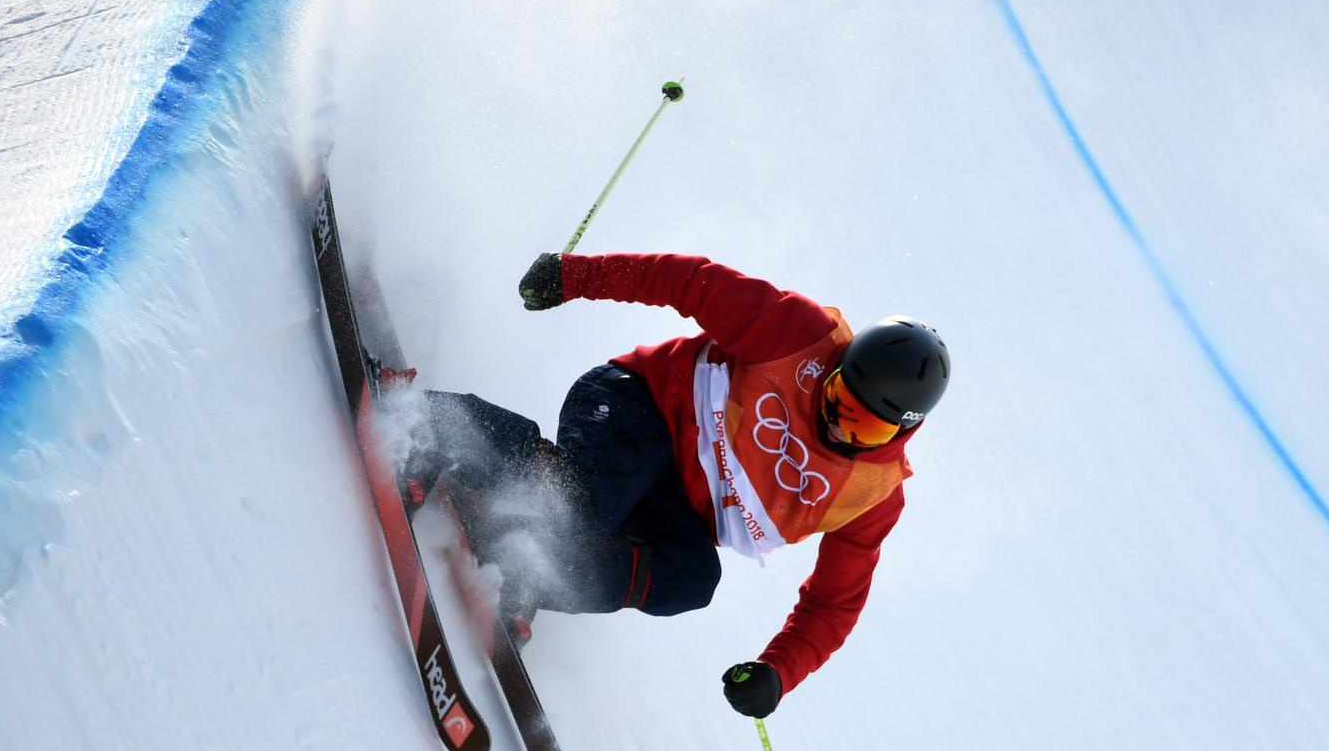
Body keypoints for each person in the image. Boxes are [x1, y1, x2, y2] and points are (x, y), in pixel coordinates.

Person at [397, 250, 949, 720]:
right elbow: (688, 281)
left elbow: (834, 605)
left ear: (901, 430)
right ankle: (439, 427)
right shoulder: (797, 334)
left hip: (675, 503)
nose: (838, 423)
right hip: (635, 407)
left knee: (692, 580)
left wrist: (777, 674)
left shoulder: (870, 496)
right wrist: (574, 275)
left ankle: (526, 570)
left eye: (864, 426)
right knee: (589, 503)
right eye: (837, 398)